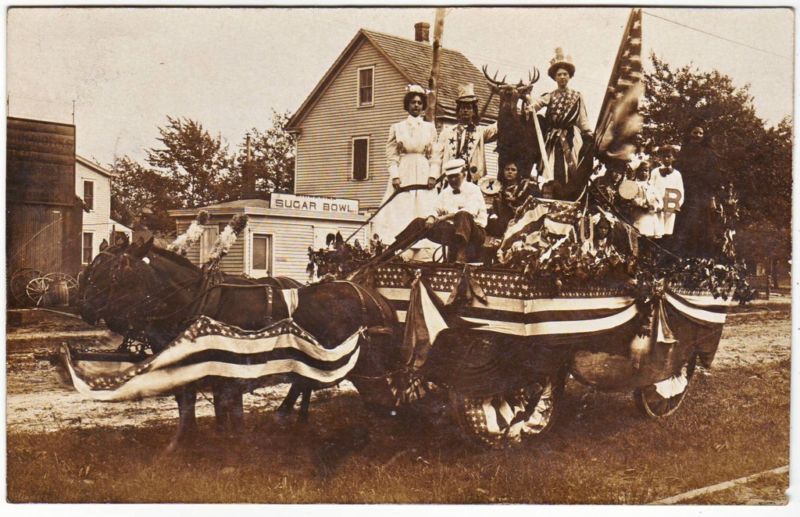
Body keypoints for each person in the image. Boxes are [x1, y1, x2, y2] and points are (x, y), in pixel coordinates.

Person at [380, 159, 488, 263]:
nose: (453, 180)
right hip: (453, 232)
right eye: (450, 177)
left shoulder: (474, 190)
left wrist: (443, 217)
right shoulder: (445, 192)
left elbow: (470, 211)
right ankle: (391, 251)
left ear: (464, 174)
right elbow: (434, 208)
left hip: (474, 235)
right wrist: (431, 217)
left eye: (456, 176)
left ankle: (461, 254)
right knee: (419, 222)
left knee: (462, 215)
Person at [373, 85, 439, 247]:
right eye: (412, 102)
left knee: (424, 205)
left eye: (419, 103)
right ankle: (396, 244)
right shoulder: (397, 127)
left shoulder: (430, 128)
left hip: (423, 169)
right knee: (402, 205)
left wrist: (433, 175)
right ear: (407, 105)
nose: (416, 106)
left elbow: (435, 155)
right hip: (404, 169)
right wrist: (395, 175)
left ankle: (424, 246)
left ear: (423, 105)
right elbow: (391, 155)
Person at [525, 48, 593, 194]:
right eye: (559, 75)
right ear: (555, 78)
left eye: (565, 74)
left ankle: (569, 193)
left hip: (570, 137)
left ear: (569, 77)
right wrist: (528, 105)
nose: (562, 77)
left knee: (571, 168)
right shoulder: (550, 96)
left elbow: (583, 119)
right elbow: (535, 106)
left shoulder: (577, 96)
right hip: (552, 139)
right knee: (550, 166)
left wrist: (588, 133)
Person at [430, 83, 498, 183]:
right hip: (450, 180)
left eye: (469, 107)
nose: (465, 110)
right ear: (458, 111)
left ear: (474, 111)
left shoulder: (480, 132)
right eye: (462, 107)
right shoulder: (447, 133)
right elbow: (437, 157)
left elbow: (499, 126)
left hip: (470, 181)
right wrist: (433, 176)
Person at [674, 124, 723, 257]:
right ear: (689, 134)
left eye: (701, 133)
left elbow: (713, 178)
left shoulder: (709, 154)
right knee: (684, 225)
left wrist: (712, 199)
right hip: (684, 193)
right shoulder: (682, 153)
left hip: (702, 195)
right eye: (695, 132)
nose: (698, 136)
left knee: (701, 226)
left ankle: (700, 259)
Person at [486, 160, 540, 238]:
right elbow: (495, 207)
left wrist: (515, 201)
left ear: (518, 172)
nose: (510, 172)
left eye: (513, 170)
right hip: (502, 217)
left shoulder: (524, 187)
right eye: (507, 169)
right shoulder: (499, 188)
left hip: (518, 217)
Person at [648, 145, 684, 244]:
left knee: (668, 230)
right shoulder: (655, 172)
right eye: (664, 156)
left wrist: (677, 205)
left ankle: (665, 252)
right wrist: (653, 203)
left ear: (674, 158)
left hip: (670, 206)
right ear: (660, 158)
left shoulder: (677, 174)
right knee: (656, 229)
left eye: (669, 156)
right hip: (658, 206)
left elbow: (680, 191)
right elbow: (650, 188)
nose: (666, 159)